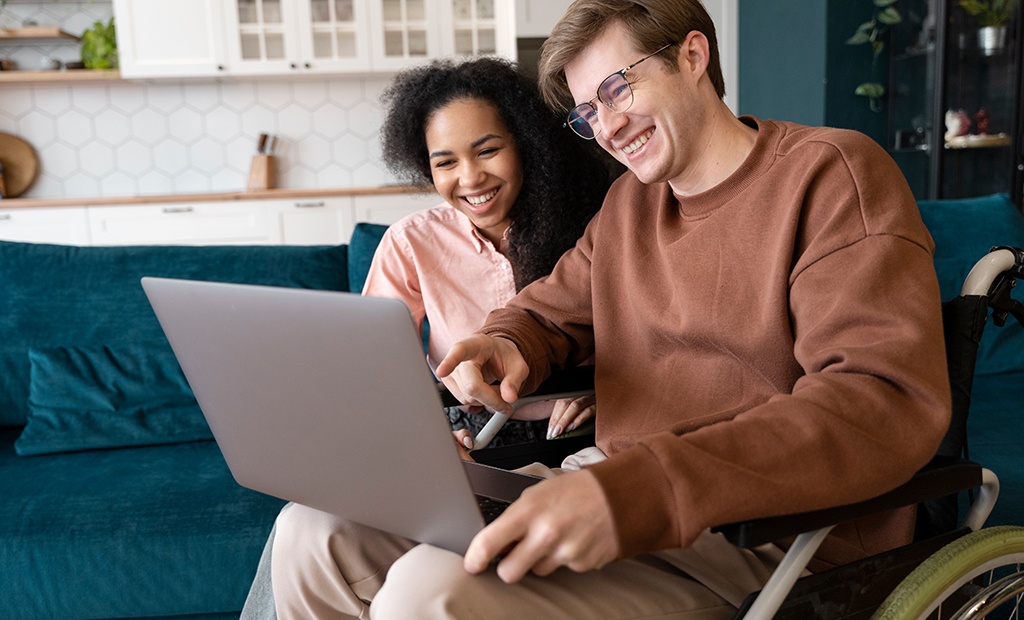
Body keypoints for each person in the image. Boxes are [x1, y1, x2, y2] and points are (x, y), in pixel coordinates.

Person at [270, 0, 952, 617]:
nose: (608, 126)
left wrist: (642, 484)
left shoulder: (833, 175)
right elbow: (550, 311)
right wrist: (504, 343)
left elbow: (880, 401)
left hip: (764, 532)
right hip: (616, 490)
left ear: (692, 56)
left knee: (427, 591)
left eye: (617, 88)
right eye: (588, 111)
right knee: (315, 532)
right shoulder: (630, 205)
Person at [237, 56, 611, 620]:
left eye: (487, 151)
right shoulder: (412, 242)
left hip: (576, 442)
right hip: (471, 441)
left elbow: (639, 338)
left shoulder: (595, 220)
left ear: (527, 143)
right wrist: (424, 433)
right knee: (305, 526)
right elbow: (366, 370)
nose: (470, 178)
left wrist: (597, 388)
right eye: (445, 162)